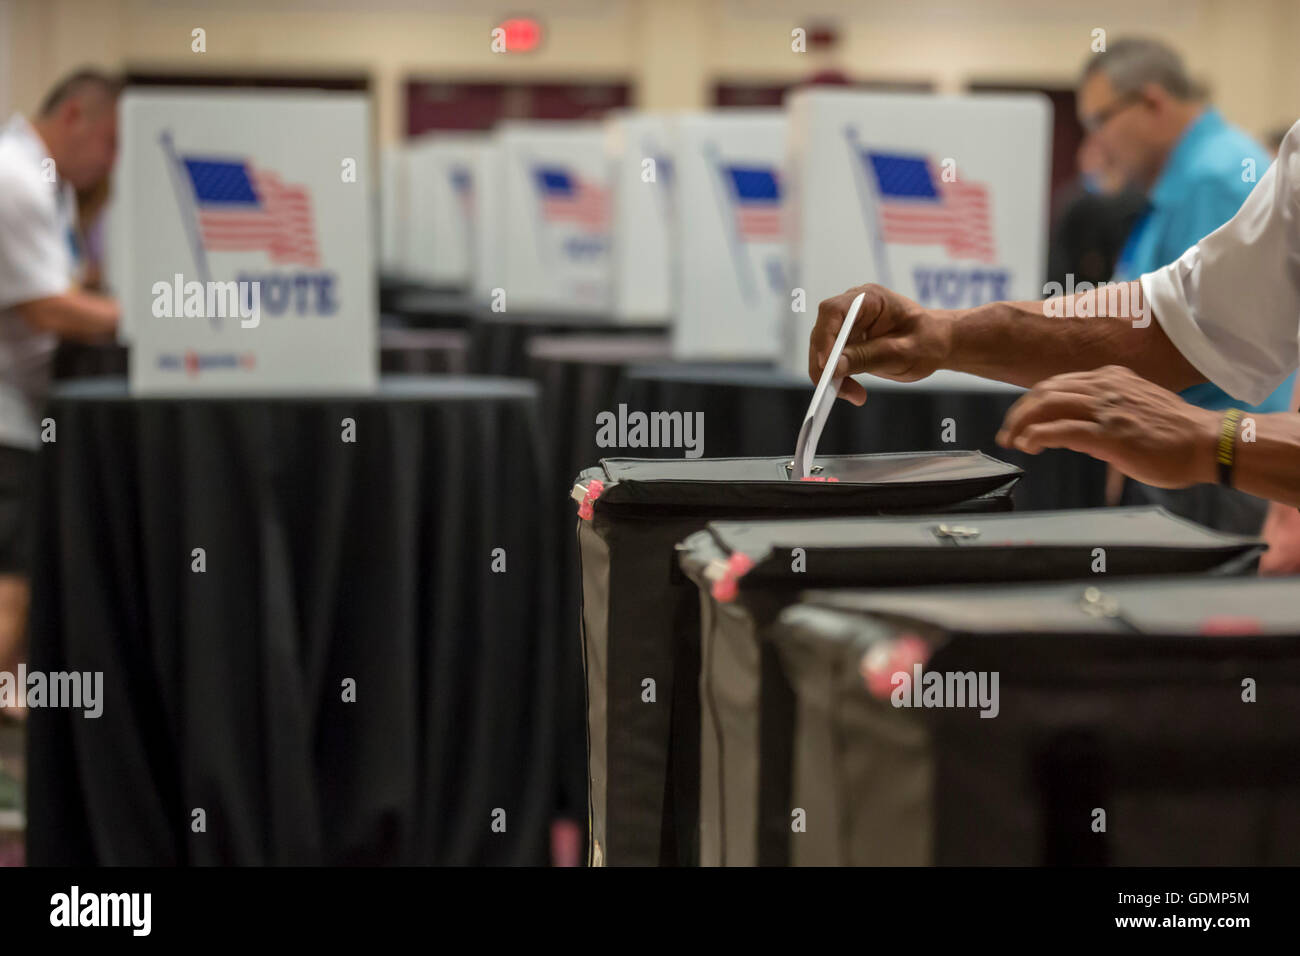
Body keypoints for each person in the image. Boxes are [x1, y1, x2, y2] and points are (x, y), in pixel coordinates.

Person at [807, 119, 1300, 513]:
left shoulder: (1213, 174)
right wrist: (945, 334)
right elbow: (1176, 321)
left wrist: (1215, 440)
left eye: (1107, 115)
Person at [1074, 37, 1294, 532]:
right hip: (1208, 456)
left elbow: (1193, 344)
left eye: (1100, 121)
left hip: (1214, 465)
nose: (1095, 145)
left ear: (1152, 102)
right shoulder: (1191, 176)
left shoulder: (1212, 180)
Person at [0, 69, 121, 717]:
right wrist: (144, 314)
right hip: (6, 418)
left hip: (22, 412)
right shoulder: (16, 178)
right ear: (73, 115)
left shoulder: (48, 185)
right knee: (9, 591)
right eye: (109, 141)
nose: (112, 161)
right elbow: (47, 308)